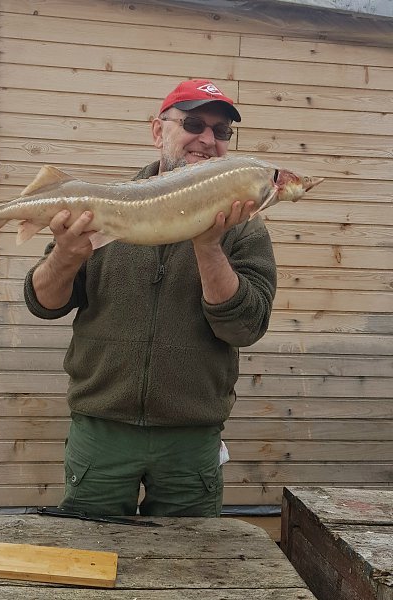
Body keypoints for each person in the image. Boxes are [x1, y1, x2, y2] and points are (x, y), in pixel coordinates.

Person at [24, 79, 277, 517]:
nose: (207, 139)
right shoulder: (107, 204)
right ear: (158, 131)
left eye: (221, 131)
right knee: (91, 548)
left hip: (191, 440)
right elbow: (43, 302)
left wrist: (208, 246)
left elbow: (246, 327)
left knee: (190, 556)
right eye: (194, 124)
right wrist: (65, 255)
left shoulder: (245, 228)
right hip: (102, 431)